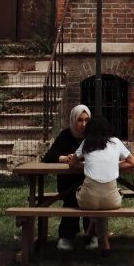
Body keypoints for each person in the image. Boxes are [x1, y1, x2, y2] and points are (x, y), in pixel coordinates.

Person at [69, 114, 134, 257]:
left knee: (92, 197)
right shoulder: (116, 142)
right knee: (104, 200)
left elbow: (72, 164)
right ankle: (104, 242)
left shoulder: (86, 143)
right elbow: (133, 163)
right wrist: (114, 166)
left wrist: (89, 166)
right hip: (112, 201)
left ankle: (91, 231)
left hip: (87, 201)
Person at [42, 104, 95, 251]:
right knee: (71, 200)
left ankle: (92, 235)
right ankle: (66, 236)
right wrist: (64, 158)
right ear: (73, 120)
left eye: (86, 120)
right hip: (68, 181)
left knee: (91, 200)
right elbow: (49, 156)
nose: (83, 124)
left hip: (88, 179)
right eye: (80, 120)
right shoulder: (66, 135)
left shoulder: (92, 136)